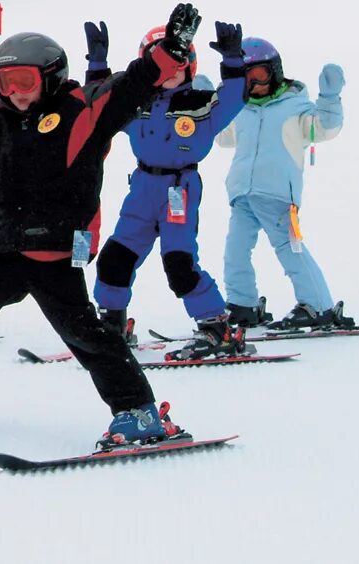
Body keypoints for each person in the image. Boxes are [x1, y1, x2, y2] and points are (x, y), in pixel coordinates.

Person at [0, 5, 203, 451]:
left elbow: (132, 86)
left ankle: (138, 414)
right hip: (2, 251)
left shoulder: (84, 112)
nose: (14, 93)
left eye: (25, 82)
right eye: (5, 83)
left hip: (55, 254)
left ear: (51, 76)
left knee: (87, 336)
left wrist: (170, 51)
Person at [89, 21, 248, 359]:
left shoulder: (201, 105)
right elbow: (99, 105)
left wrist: (233, 61)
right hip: (143, 187)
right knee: (116, 257)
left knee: (179, 262)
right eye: (162, 65)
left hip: (180, 188)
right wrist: (98, 64)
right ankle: (111, 325)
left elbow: (235, 97)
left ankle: (216, 327)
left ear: (190, 67)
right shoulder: (136, 104)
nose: (170, 73)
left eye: (178, 66)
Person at [218, 37, 356, 332]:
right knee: (235, 250)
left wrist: (329, 99)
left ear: (275, 71)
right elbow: (221, 136)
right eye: (246, 78)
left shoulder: (295, 107)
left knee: (289, 248)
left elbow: (324, 128)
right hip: (242, 194)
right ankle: (243, 305)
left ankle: (317, 306)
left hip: (278, 195)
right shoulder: (240, 110)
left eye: (259, 76)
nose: (253, 85)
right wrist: (207, 101)